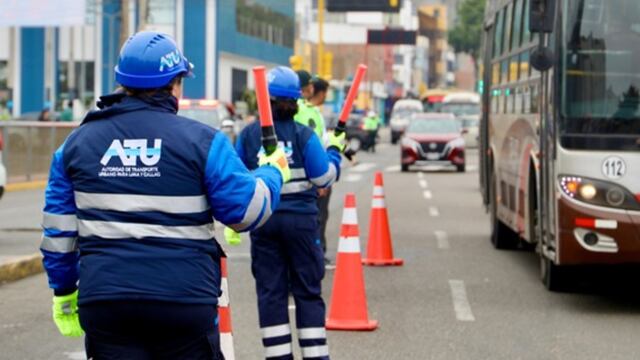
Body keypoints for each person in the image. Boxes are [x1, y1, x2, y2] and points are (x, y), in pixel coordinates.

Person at [40, 31, 289, 359]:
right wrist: (272, 173)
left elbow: (59, 233)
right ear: (175, 84)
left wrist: (63, 290)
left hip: (106, 303)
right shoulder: (202, 142)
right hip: (183, 302)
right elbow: (247, 212)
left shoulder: (76, 145)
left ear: (122, 83)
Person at [233, 66, 344, 360]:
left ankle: (279, 357)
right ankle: (315, 355)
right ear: (296, 100)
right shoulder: (304, 136)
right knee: (307, 290)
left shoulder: (247, 136)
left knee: (271, 293)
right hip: (301, 224)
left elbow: (236, 177)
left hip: (265, 222)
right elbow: (324, 179)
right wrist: (334, 151)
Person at [307, 77, 333, 265]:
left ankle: (316, 252)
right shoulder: (312, 113)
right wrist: (321, 180)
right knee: (318, 216)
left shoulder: (306, 111)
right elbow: (318, 146)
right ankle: (317, 253)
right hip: (314, 175)